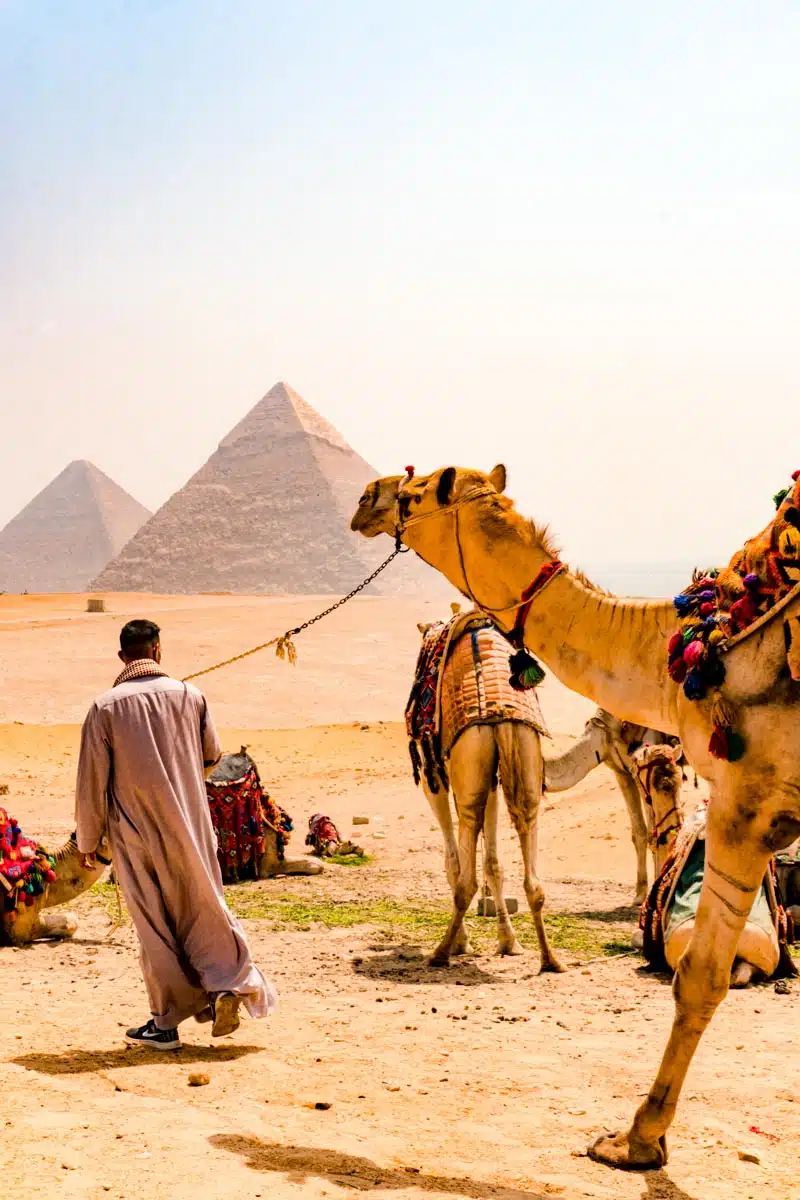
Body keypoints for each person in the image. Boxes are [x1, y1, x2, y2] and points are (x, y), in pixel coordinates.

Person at [75, 618, 276, 1050]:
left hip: (135, 834)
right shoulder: (191, 695)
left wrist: (88, 842)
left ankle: (166, 1022)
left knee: (155, 925)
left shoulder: (104, 707)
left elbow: (92, 782)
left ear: (122, 657)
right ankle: (227, 985)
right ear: (158, 651)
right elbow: (211, 758)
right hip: (191, 826)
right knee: (205, 908)